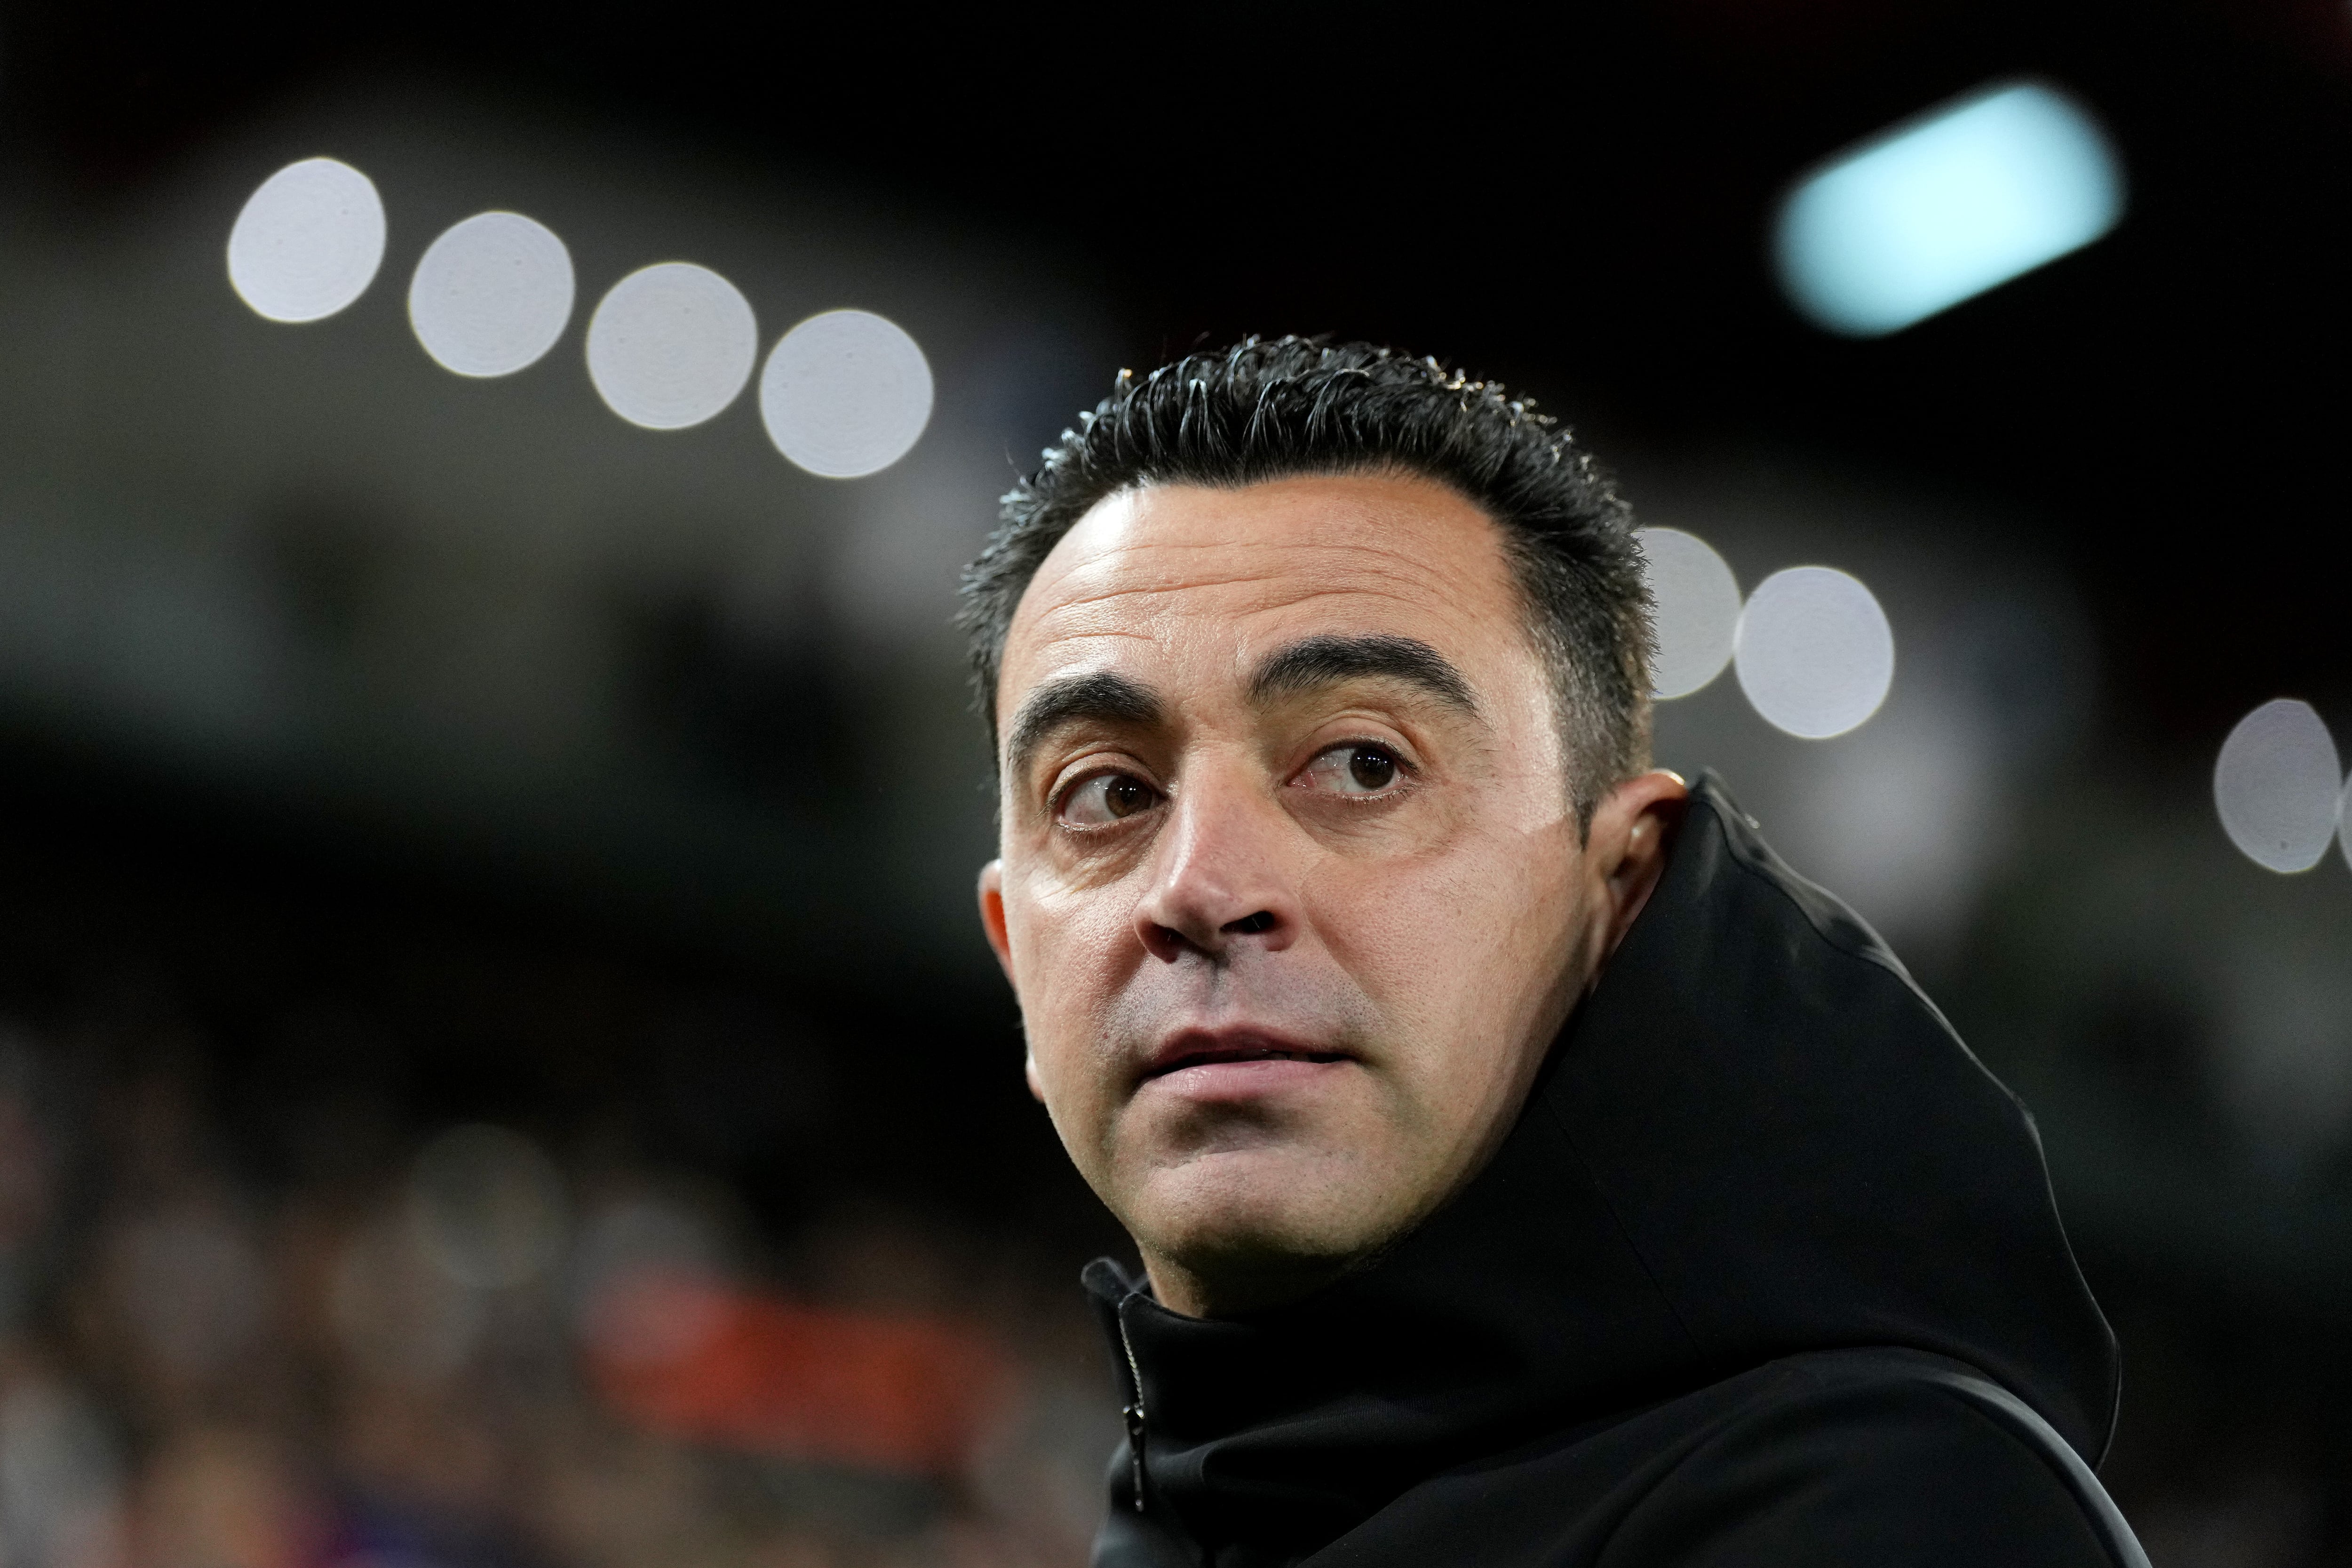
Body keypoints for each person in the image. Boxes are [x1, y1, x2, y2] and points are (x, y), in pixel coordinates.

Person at [959, 338, 2144, 1567]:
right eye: (1106, 793)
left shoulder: (1882, 1517)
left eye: (1366, 764)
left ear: (1621, 890)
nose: (1198, 887)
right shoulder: (1182, 1512)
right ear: (1013, 958)